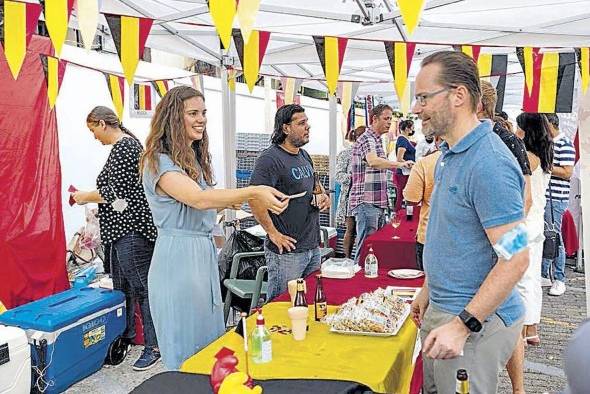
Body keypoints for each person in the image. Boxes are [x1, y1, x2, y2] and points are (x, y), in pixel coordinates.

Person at [140, 86, 287, 369]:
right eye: (193, 113)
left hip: (202, 256)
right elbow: (198, 199)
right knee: (185, 348)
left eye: (204, 113)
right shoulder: (157, 161)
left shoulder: (191, 159)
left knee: (207, 345)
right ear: (173, 118)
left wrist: (250, 204)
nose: (201, 119)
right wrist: (252, 191)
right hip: (177, 260)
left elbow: (207, 204)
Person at [409, 51, 528, 393]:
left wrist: (463, 325)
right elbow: (455, 236)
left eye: (423, 97)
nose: (416, 109)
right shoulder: (450, 154)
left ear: (458, 95)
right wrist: (429, 289)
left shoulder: (488, 162)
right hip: (446, 310)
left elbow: (516, 255)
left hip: (474, 324)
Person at [71, 106, 160, 371]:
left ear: (102, 123)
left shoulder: (124, 147)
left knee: (142, 288)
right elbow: (124, 198)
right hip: (122, 228)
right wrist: (107, 207)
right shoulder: (126, 148)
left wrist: (85, 196)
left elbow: (115, 191)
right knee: (125, 288)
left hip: (131, 231)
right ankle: (127, 337)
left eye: (93, 130)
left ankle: (154, 346)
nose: (94, 137)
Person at [249, 104, 330, 300]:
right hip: (287, 253)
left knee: (309, 302)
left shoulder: (304, 155)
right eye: (301, 123)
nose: (307, 127)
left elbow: (315, 184)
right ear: (285, 128)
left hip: (311, 245)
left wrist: (323, 195)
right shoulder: (269, 159)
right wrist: (273, 234)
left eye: (307, 122)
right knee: (281, 305)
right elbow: (254, 198)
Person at [348, 104, 412, 265]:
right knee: (366, 244)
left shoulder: (376, 139)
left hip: (375, 200)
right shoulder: (368, 138)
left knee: (371, 244)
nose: (389, 122)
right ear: (374, 119)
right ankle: (358, 277)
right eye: (386, 118)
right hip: (366, 200)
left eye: (391, 119)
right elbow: (374, 162)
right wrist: (399, 164)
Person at [515, 113, 553, 344]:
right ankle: (532, 329)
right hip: (536, 222)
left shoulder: (526, 157)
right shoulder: (545, 155)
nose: (516, 133)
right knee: (532, 277)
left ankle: (522, 328)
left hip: (523, 223)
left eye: (519, 128)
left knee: (521, 277)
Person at [542, 113, 575, 296]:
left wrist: (544, 166)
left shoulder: (565, 144)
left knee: (556, 239)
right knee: (546, 237)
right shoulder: (548, 143)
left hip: (557, 199)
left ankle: (559, 278)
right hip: (545, 197)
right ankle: (544, 274)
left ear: (550, 124)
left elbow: (567, 172)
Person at [402, 137, 441, 271]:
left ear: (436, 139)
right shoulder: (475, 160)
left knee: (428, 284)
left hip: (429, 235)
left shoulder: (425, 163)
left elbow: (411, 199)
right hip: (466, 240)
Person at [335, 126, 366, 258]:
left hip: (367, 197)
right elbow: (338, 175)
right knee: (350, 229)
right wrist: (353, 177)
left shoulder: (371, 155)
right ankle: (347, 258)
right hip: (350, 197)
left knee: (363, 231)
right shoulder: (345, 154)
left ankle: (361, 258)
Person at [393, 119, 416, 212]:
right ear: (407, 128)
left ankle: (408, 217)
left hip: (407, 173)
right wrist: (410, 164)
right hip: (403, 173)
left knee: (408, 195)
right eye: (412, 128)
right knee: (401, 196)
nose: (413, 130)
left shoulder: (406, 140)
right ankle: (398, 219)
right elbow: (399, 159)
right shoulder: (402, 139)